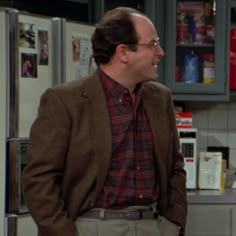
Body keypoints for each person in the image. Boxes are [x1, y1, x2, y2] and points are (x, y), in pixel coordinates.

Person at [22, 6, 187, 236]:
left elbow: (175, 168)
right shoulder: (65, 100)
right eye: (152, 45)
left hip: (154, 225)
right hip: (93, 226)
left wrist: (175, 223)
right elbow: (38, 179)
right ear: (123, 53)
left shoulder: (160, 98)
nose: (160, 52)